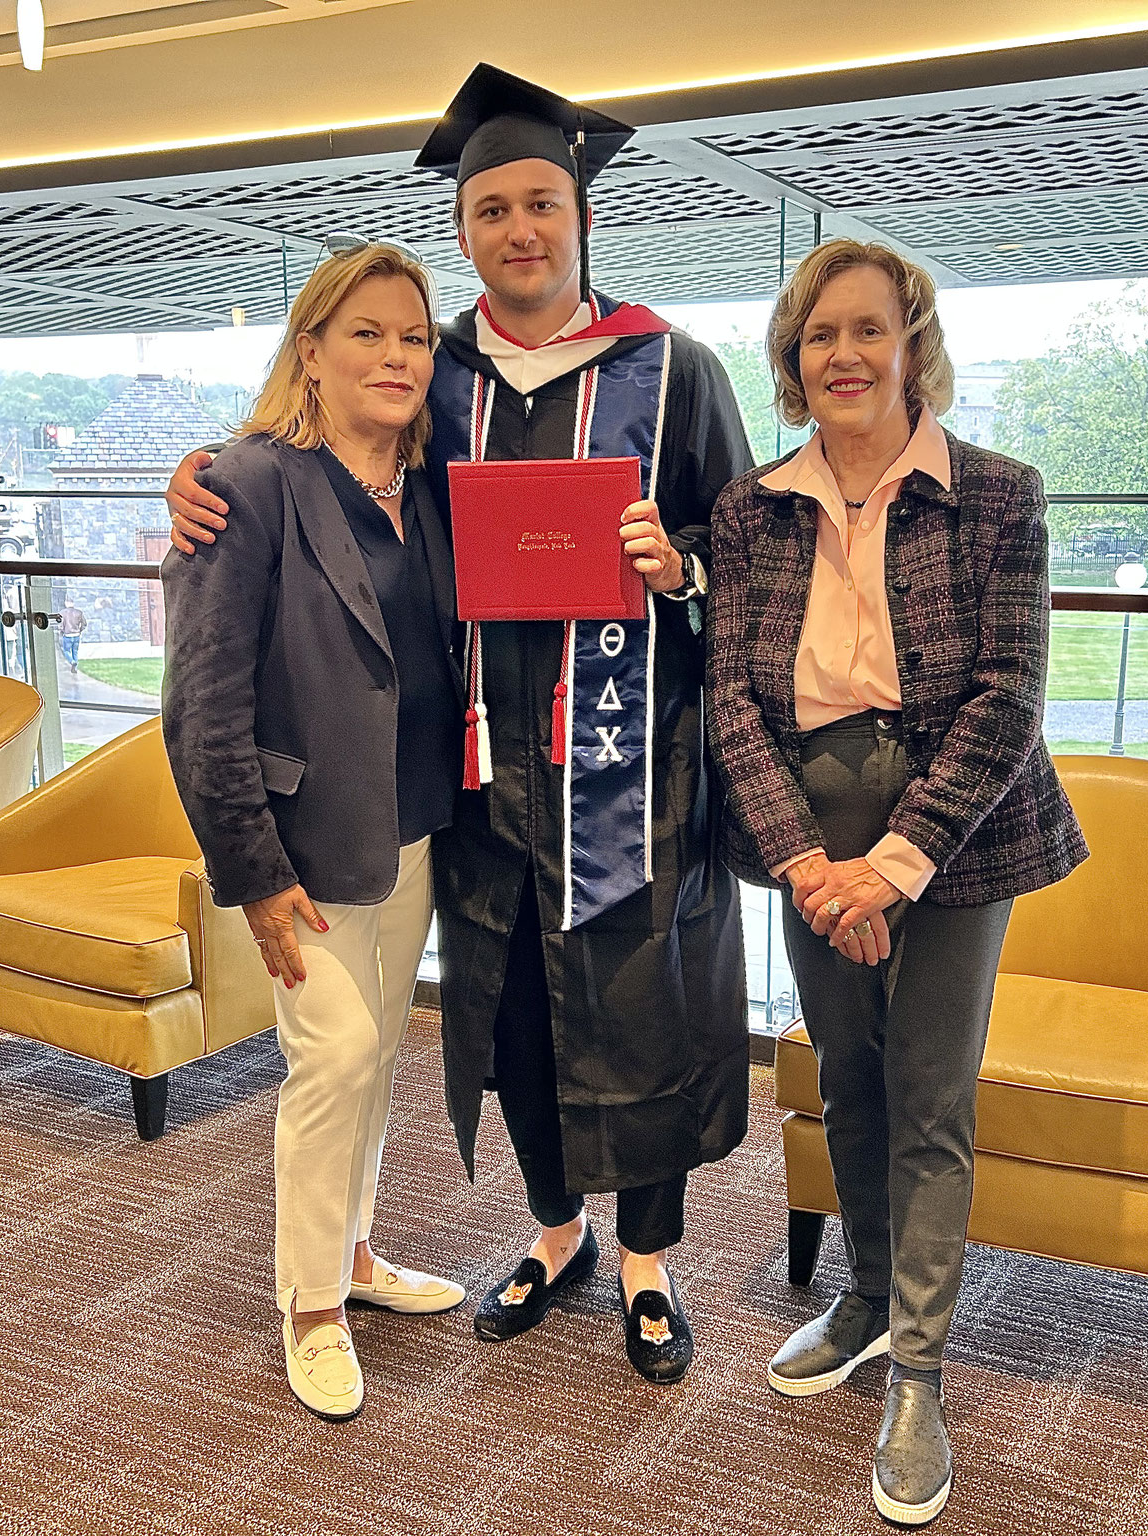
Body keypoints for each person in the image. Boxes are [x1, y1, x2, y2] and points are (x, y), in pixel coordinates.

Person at [165, 65, 751, 1384]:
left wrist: (686, 569)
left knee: (637, 1013)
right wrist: (202, 472)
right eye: (491, 210)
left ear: (581, 213)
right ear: (467, 231)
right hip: (482, 779)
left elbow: (751, 554)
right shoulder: (443, 379)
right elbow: (323, 451)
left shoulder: (678, 372)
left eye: (541, 201)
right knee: (522, 1020)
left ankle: (650, 1262)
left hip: (629, 767)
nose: (519, 230)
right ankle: (555, 1236)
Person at [706, 240, 1088, 1527]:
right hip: (809, 831)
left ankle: (915, 1373)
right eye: (820, 336)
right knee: (845, 1075)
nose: (845, 355)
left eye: (869, 331)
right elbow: (732, 707)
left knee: (928, 1097)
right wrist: (807, 861)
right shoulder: (747, 504)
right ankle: (864, 1298)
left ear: (912, 344)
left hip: (958, 834)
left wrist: (892, 864)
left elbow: (1007, 698)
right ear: (791, 356)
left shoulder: (995, 493)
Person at [160, 243, 468, 1423]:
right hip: (299, 842)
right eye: (367, 334)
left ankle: (350, 1256)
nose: (395, 357)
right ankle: (308, 1303)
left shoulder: (430, 487)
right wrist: (252, 873)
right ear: (311, 352)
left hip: (415, 826)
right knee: (330, 1056)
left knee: (378, 1056)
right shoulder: (247, 483)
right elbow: (199, 703)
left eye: (413, 338)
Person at [58, 601, 86, 672]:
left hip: (67, 635)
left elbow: (60, 625)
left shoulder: (62, 613)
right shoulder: (79, 612)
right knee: (75, 651)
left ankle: (72, 662)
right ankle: (75, 667)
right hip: (76, 635)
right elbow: (84, 623)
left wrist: (61, 631)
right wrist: (80, 630)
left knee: (66, 651)